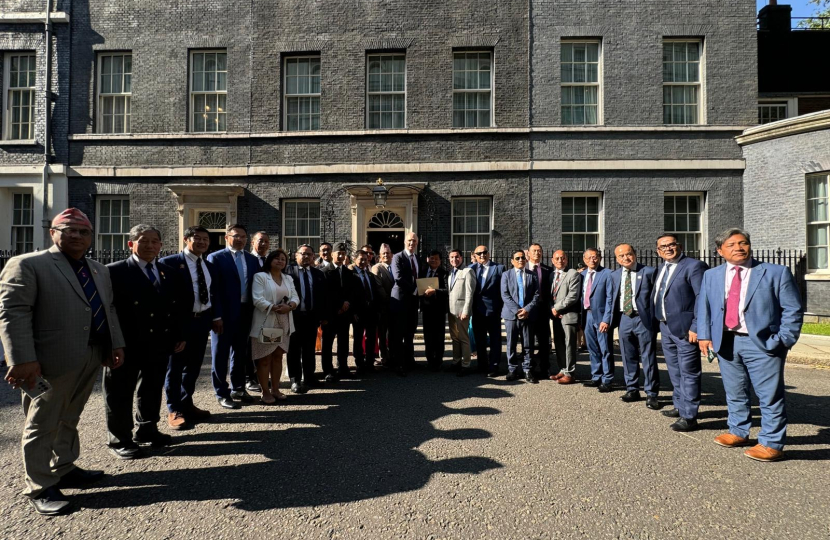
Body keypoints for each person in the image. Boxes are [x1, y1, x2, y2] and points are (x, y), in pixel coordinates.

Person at [0, 208, 125, 516]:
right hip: (48, 361)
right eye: (68, 230)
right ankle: (40, 485)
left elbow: (107, 309)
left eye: (83, 232)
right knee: (42, 422)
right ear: (53, 233)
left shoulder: (98, 269)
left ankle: (64, 467)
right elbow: (13, 314)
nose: (77, 236)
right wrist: (22, 359)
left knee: (71, 415)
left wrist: (116, 344)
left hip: (92, 353)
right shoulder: (28, 264)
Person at [698, 228, 803, 462]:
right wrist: (705, 335)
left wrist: (784, 339)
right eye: (732, 244)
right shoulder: (712, 275)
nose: (739, 248)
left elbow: (793, 309)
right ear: (719, 251)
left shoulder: (775, 272)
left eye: (743, 243)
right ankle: (738, 431)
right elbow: (705, 307)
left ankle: (771, 442)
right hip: (726, 341)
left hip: (763, 343)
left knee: (769, 395)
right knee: (734, 391)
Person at [104, 225, 187, 460]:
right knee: (119, 392)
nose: (150, 245)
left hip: (158, 341)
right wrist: (109, 344)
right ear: (131, 244)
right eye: (144, 241)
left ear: (161, 245)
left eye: (155, 241)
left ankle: (147, 428)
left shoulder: (166, 271)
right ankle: (120, 438)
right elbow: (105, 311)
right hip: (125, 344)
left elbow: (175, 306)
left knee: (151, 388)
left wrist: (179, 335)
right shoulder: (114, 271)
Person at [160, 226, 218, 430]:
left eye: (205, 239)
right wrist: (174, 329)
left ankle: (187, 403)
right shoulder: (170, 264)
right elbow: (165, 300)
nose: (202, 242)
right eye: (197, 238)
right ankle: (174, 409)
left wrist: (214, 317)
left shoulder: (208, 265)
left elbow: (211, 293)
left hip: (202, 322)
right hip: (180, 324)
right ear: (186, 239)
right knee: (175, 368)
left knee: (193, 367)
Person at [653, 233, 709, 432]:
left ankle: (690, 415)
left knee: (689, 372)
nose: (668, 248)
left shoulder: (694, 266)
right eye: (663, 246)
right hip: (666, 327)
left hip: (686, 330)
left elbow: (703, 298)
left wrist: (696, 326)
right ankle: (679, 405)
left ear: (680, 246)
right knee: (674, 370)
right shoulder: (662, 267)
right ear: (658, 251)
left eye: (671, 245)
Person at [207, 224, 260, 409]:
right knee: (220, 353)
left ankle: (238, 387)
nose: (240, 239)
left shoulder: (252, 260)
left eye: (243, 236)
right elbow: (212, 290)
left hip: (245, 311)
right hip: (224, 313)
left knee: (240, 352)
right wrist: (216, 316)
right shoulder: (215, 258)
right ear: (227, 237)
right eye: (236, 236)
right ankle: (221, 392)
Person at [607, 244, 659, 410]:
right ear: (617, 259)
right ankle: (632, 389)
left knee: (648, 357)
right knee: (627, 355)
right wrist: (607, 320)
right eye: (621, 256)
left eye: (628, 254)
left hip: (642, 319)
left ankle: (651, 393)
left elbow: (656, 298)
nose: (625, 258)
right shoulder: (614, 275)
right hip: (624, 318)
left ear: (634, 254)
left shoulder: (649, 272)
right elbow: (611, 299)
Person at [250, 249, 298, 404]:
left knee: (278, 357)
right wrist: (275, 308)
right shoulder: (261, 277)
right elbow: (257, 299)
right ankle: (265, 392)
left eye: (283, 259)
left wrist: (290, 306)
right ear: (269, 260)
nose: (280, 261)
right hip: (267, 321)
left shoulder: (288, 278)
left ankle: (276, 389)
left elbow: (295, 296)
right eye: (276, 258)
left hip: (284, 322)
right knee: (264, 359)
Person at [285, 244, 326, 393]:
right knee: (293, 349)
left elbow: (322, 297)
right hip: (293, 316)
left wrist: (322, 317)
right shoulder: (288, 272)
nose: (306, 256)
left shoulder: (318, 274)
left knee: (309, 349)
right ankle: (295, 380)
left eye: (309, 254)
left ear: (313, 256)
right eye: (302, 254)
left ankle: (309, 377)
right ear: (296, 256)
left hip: (311, 317)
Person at [501, 249, 541, 383]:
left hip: (528, 315)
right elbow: (505, 295)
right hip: (511, 315)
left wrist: (527, 309)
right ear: (512, 261)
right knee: (511, 343)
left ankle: (527, 369)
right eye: (517, 258)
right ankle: (512, 369)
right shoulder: (506, 275)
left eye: (523, 258)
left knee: (528, 344)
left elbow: (536, 295)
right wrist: (518, 310)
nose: (520, 260)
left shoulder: (532, 275)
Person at [389, 232, 423, 376]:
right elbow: (398, 278)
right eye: (410, 240)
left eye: (414, 241)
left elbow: (420, 277)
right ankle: (398, 364)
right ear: (404, 241)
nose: (412, 243)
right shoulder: (397, 257)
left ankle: (409, 361)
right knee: (398, 334)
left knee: (410, 332)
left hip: (413, 302)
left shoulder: (418, 258)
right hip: (400, 301)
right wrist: (415, 290)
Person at [580, 248, 614, 392]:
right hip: (587, 315)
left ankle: (607, 379)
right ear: (584, 259)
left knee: (605, 348)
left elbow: (610, 299)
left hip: (601, 317)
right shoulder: (582, 274)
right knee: (592, 348)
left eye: (594, 257)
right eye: (589, 258)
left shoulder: (607, 274)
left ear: (599, 258)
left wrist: (606, 319)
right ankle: (596, 376)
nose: (592, 260)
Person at [320, 243, 355, 381]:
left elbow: (352, 292)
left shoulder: (348, 272)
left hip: (344, 314)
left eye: (343, 253)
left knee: (344, 343)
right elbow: (326, 294)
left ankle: (343, 367)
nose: (341, 256)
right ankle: (328, 371)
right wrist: (340, 304)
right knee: (328, 344)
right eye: (338, 253)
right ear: (332, 254)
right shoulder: (324, 272)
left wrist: (347, 303)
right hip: (331, 314)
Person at [470, 245, 505, 376]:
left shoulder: (499, 268)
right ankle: (482, 365)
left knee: (495, 340)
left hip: (494, 311)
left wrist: (501, 309)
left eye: (484, 252)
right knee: (480, 340)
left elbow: (503, 290)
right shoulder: (470, 269)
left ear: (489, 253)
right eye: (479, 253)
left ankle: (494, 366)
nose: (482, 255)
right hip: (477, 310)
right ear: (475, 255)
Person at [549, 250, 581, 384]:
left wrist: (557, 307)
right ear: (552, 260)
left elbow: (573, 296)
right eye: (557, 258)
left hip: (568, 315)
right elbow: (549, 294)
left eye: (563, 258)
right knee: (559, 344)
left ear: (567, 259)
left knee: (569, 344)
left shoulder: (573, 273)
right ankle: (562, 369)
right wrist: (552, 308)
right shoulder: (551, 275)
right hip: (556, 316)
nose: (560, 260)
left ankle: (570, 372)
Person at [447, 249, 476, 376]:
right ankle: (456, 361)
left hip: (461, 312)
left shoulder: (468, 271)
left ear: (461, 258)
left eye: (456, 257)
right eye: (452, 257)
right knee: (455, 338)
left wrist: (466, 311)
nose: (454, 259)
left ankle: (466, 364)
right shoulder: (450, 273)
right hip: (452, 311)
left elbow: (470, 293)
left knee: (464, 338)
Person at [351, 249, 380, 374]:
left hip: (371, 311)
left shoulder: (369, 274)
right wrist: (353, 312)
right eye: (361, 259)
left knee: (371, 337)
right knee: (358, 338)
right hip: (358, 312)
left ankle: (369, 362)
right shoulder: (351, 275)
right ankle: (359, 363)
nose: (364, 262)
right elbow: (349, 294)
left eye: (366, 259)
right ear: (355, 259)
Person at [526, 243, 552, 377]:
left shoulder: (548, 270)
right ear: (528, 254)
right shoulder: (522, 268)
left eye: (539, 251)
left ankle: (544, 367)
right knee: (528, 340)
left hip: (542, 310)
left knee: (544, 341)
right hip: (528, 310)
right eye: (534, 251)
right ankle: (529, 367)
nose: (537, 253)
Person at [421, 250, 449, 371]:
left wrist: (435, 291)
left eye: (436, 259)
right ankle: (429, 360)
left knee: (438, 336)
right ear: (427, 259)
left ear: (440, 261)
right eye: (431, 258)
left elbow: (447, 290)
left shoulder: (444, 273)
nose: (434, 260)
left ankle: (438, 361)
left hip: (439, 310)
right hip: (426, 309)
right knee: (428, 336)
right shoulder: (422, 272)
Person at [371, 243, 394, 366]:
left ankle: (393, 355)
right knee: (382, 333)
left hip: (395, 307)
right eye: (384, 253)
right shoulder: (377, 268)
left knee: (392, 333)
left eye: (388, 253)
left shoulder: (395, 267)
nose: (386, 255)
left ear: (392, 255)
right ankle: (384, 356)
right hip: (383, 306)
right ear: (380, 256)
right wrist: (390, 299)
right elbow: (378, 287)